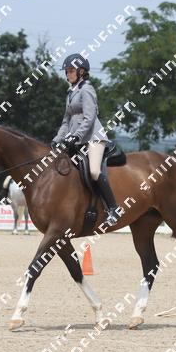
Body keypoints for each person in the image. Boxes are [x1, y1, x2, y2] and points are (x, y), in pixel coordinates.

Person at [50, 53, 120, 226]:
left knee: (94, 171)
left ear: (81, 72)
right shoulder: (70, 93)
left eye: (71, 71)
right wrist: (58, 138)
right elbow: (66, 121)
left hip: (94, 138)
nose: (68, 74)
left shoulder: (87, 89)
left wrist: (76, 136)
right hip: (77, 139)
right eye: (66, 71)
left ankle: (114, 209)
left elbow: (89, 118)